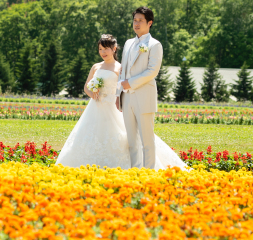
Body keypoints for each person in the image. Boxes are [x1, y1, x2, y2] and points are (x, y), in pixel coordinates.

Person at [55, 33, 186, 170]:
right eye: (100, 49)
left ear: (114, 48)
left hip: (113, 107)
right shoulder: (96, 67)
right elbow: (86, 86)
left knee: (125, 137)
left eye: (106, 49)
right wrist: (92, 93)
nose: (103, 52)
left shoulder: (120, 68)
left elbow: (123, 88)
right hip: (95, 107)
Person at [117, 6, 161, 169]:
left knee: (147, 140)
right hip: (126, 97)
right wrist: (119, 94)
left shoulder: (155, 45)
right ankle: (135, 171)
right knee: (131, 141)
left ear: (149, 23)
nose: (136, 23)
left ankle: (148, 172)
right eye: (134, 20)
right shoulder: (128, 43)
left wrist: (131, 82)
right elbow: (123, 69)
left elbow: (152, 71)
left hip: (144, 97)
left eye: (140, 20)